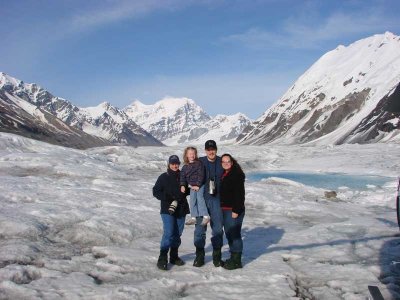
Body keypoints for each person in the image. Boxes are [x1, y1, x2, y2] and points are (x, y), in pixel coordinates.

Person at [152, 155, 190, 270]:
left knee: (178, 233)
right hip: (167, 209)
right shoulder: (163, 177)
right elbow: (155, 191)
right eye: (173, 163)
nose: (175, 165)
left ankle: (174, 256)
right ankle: (162, 257)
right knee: (169, 232)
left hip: (181, 209)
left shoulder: (183, 176)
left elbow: (188, 190)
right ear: (169, 164)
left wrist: (189, 189)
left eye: (177, 163)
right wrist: (167, 197)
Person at [193, 140, 224, 267]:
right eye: (208, 149)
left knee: (217, 229)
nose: (211, 151)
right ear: (205, 150)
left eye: (213, 149)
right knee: (199, 230)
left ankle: (217, 256)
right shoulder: (200, 162)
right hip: (202, 201)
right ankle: (199, 256)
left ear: (216, 150)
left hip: (217, 201)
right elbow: (188, 172)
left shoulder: (222, 162)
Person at [220, 153, 246, 270]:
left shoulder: (236, 175)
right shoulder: (224, 173)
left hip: (233, 209)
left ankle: (237, 261)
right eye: (223, 162)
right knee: (229, 234)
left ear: (232, 162)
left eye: (228, 161)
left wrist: (236, 210)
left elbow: (239, 194)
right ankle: (233, 257)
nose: (226, 163)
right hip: (225, 209)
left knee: (235, 235)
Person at [180, 146, 210, 226]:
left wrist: (198, 185)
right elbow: (182, 176)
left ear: (195, 154)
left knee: (200, 198)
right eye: (190, 154)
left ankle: (205, 216)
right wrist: (183, 185)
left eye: (193, 153)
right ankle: (194, 217)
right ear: (186, 155)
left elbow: (201, 175)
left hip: (199, 185)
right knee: (192, 200)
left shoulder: (199, 164)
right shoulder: (185, 166)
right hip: (191, 186)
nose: (192, 155)